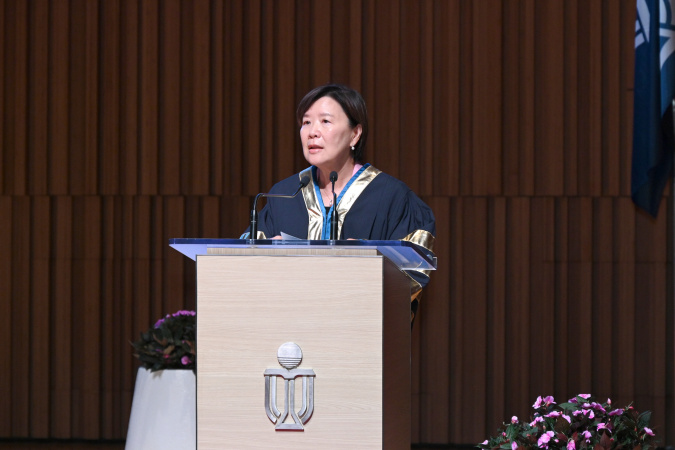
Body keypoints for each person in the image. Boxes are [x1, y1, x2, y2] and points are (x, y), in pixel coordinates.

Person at [245, 84, 436, 314]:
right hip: (289, 329)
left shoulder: (392, 197)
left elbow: (415, 273)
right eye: (306, 122)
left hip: (359, 332)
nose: (312, 131)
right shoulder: (283, 194)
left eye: (325, 121)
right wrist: (265, 254)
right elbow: (243, 263)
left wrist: (370, 263)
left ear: (355, 134)